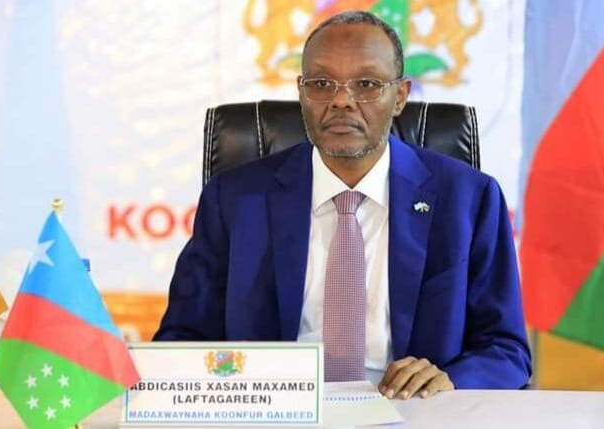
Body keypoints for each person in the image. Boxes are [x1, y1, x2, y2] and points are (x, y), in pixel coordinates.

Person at [154, 10, 531, 399]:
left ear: (400, 96)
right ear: (301, 92)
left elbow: (506, 350)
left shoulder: (468, 199)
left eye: (366, 84)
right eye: (321, 84)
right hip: (277, 410)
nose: (341, 101)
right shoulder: (235, 200)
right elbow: (183, 338)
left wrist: (450, 379)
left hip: (411, 410)